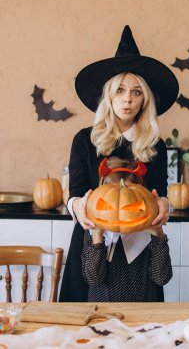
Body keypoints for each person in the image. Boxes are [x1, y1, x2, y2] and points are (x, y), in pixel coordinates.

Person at [59, 25, 179, 302]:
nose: (127, 98)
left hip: (141, 251)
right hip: (93, 243)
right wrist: (77, 205)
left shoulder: (155, 145)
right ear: (109, 95)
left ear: (144, 100)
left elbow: (159, 192)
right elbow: (75, 191)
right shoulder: (84, 141)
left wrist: (163, 203)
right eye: (121, 90)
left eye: (137, 92)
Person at [81, 156, 173, 302]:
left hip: (143, 314)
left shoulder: (150, 235)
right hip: (103, 313)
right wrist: (97, 236)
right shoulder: (93, 235)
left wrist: (159, 235)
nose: (119, 211)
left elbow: (161, 278)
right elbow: (93, 279)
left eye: (131, 204)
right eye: (109, 205)